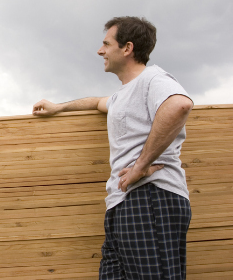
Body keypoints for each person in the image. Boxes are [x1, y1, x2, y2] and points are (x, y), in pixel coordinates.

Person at [33, 16, 193, 279]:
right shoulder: (123, 95)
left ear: (127, 48)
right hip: (123, 203)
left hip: (150, 197)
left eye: (106, 44)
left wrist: (139, 167)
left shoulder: (154, 78)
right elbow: (97, 102)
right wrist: (60, 107)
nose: (100, 50)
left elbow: (179, 105)